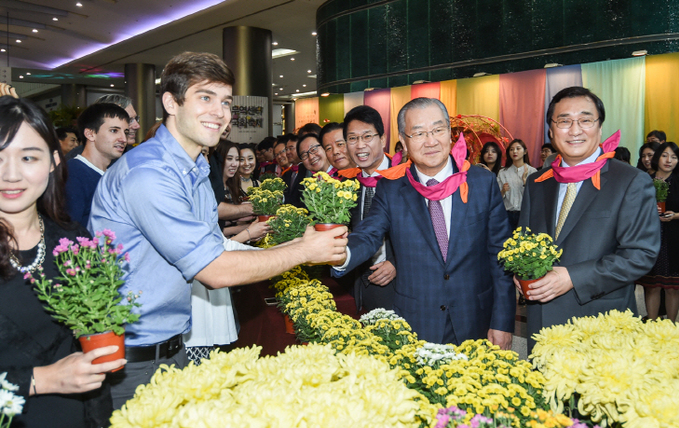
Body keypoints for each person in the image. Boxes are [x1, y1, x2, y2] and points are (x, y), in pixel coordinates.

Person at [88, 52, 347, 408]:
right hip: (130, 361)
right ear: (171, 102)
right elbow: (214, 270)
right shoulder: (150, 172)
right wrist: (303, 250)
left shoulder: (191, 169)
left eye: (225, 101)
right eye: (205, 98)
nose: (219, 112)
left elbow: (218, 248)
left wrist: (288, 244)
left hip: (171, 348)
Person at [334, 98, 514, 347]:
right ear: (404, 141)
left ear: (450, 134)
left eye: (438, 130)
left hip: (476, 318)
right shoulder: (392, 187)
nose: (430, 141)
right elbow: (368, 233)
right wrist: (338, 252)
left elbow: (500, 256)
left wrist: (502, 322)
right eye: (418, 133)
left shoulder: (481, 182)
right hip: (416, 322)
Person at [0, 96, 124, 428]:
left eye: (28, 157)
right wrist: (42, 379)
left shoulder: (71, 239)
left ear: (54, 161)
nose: (11, 174)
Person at [519, 86, 660, 351]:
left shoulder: (629, 181)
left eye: (585, 120)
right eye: (564, 121)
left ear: (599, 127)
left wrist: (573, 277)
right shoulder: (537, 182)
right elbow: (523, 243)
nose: (574, 130)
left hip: (601, 326)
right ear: (551, 130)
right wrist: (520, 271)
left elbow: (640, 255)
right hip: (543, 326)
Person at [340, 105, 398, 313]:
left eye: (367, 137)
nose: (359, 145)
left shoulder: (405, 179)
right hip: (358, 283)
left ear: (382, 139)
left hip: (398, 285)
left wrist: (396, 263)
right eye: (352, 138)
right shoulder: (346, 183)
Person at [65, 103, 129, 226]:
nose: (123, 139)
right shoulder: (73, 174)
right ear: (90, 134)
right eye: (114, 131)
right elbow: (68, 232)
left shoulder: (112, 174)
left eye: (125, 132)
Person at [637, 142, 679, 321]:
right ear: (657, 157)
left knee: (672, 288)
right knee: (652, 285)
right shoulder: (644, 179)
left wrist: (676, 215)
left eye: (674, 157)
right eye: (664, 155)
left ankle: (670, 328)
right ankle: (652, 326)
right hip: (650, 237)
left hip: (673, 238)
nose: (669, 160)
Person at [218, 140, 269, 242]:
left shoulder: (231, 185)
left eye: (237, 159)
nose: (234, 164)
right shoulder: (217, 186)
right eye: (229, 158)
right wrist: (244, 228)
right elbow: (213, 224)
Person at [497, 139, 536, 229]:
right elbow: (497, 198)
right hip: (507, 214)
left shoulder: (532, 171)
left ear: (525, 151)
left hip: (525, 214)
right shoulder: (503, 172)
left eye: (518, 149)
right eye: (511, 149)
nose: (514, 151)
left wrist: (525, 183)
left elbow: (535, 197)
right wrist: (503, 191)